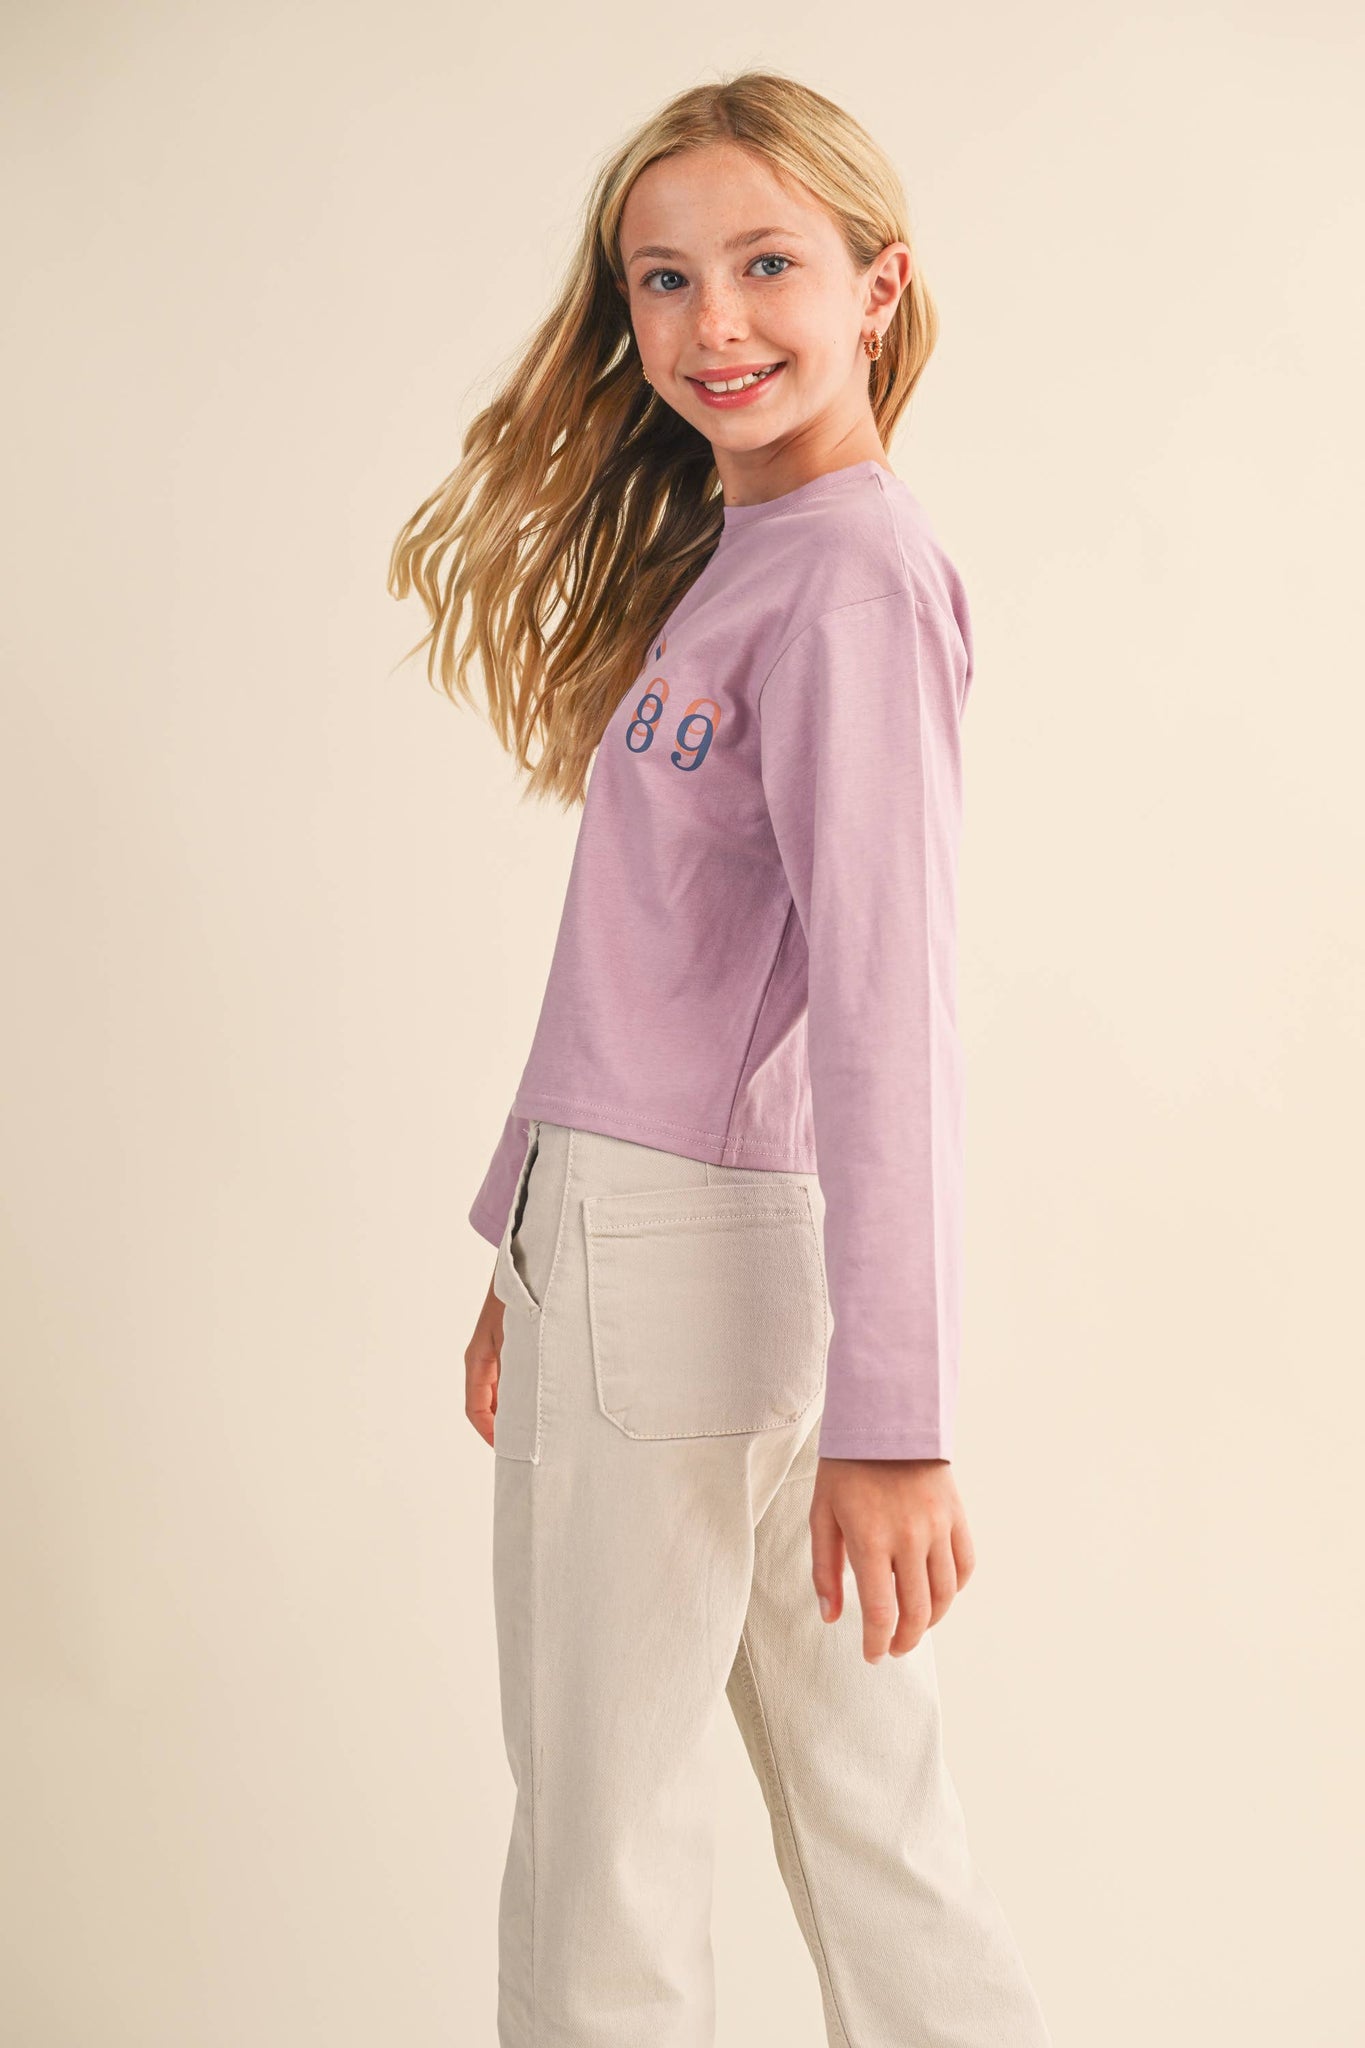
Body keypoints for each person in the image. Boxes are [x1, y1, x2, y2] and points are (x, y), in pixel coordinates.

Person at [389, 67, 1053, 2048]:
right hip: (678, 1257)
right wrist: (521, 1239)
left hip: (688, 1259)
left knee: (605, 1841)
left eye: (767, 265)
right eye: (663, 280)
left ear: (877, 286)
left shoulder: (849, 575)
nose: (713, 324)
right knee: (872, 1827)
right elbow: (652, 964)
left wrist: (898, 1419)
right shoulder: (753, 562)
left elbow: (884, 1006)